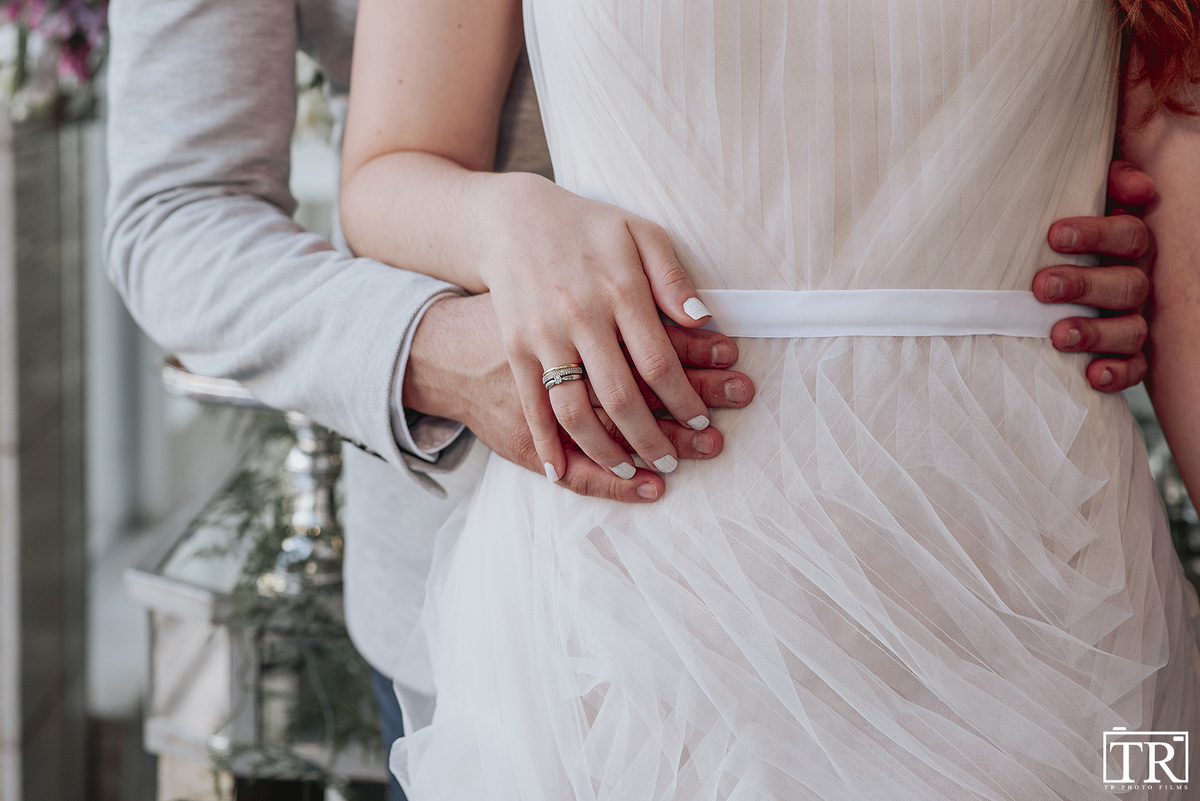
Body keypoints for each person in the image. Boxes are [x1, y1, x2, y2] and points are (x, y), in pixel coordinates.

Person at [101, 0, 1162, 798]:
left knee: (1140, 766)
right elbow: (177, 213)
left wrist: (1101, 234)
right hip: (578, 584)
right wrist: (445, 339)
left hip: (1030, 560)